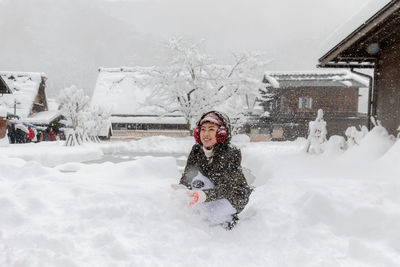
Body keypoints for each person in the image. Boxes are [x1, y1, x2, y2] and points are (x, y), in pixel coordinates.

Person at [172, 111, 252, 230]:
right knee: (196, 184)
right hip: (214, 187)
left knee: (214, 216)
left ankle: (229, 221)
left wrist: (203, 195)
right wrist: (183, 186)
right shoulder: (196, 150)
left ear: (221, 133)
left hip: (234, 194)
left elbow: (227, 188)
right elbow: (189, 173)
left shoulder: (231, 153)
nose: (206, 134)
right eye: (203, 129)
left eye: (211, 129)